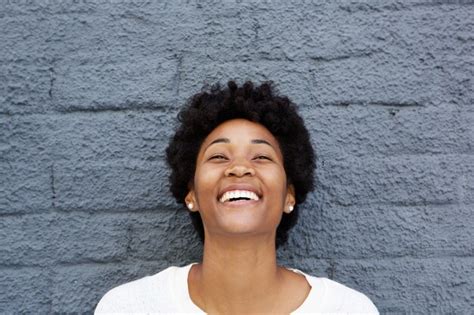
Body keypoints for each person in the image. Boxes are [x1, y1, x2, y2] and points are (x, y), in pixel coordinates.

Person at [95, 80, 378, 314]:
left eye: (262, 156)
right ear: (190, 192)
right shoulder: (128, 307)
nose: (240, 168)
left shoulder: (348, 309)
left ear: (289, 194)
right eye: (218, 156)